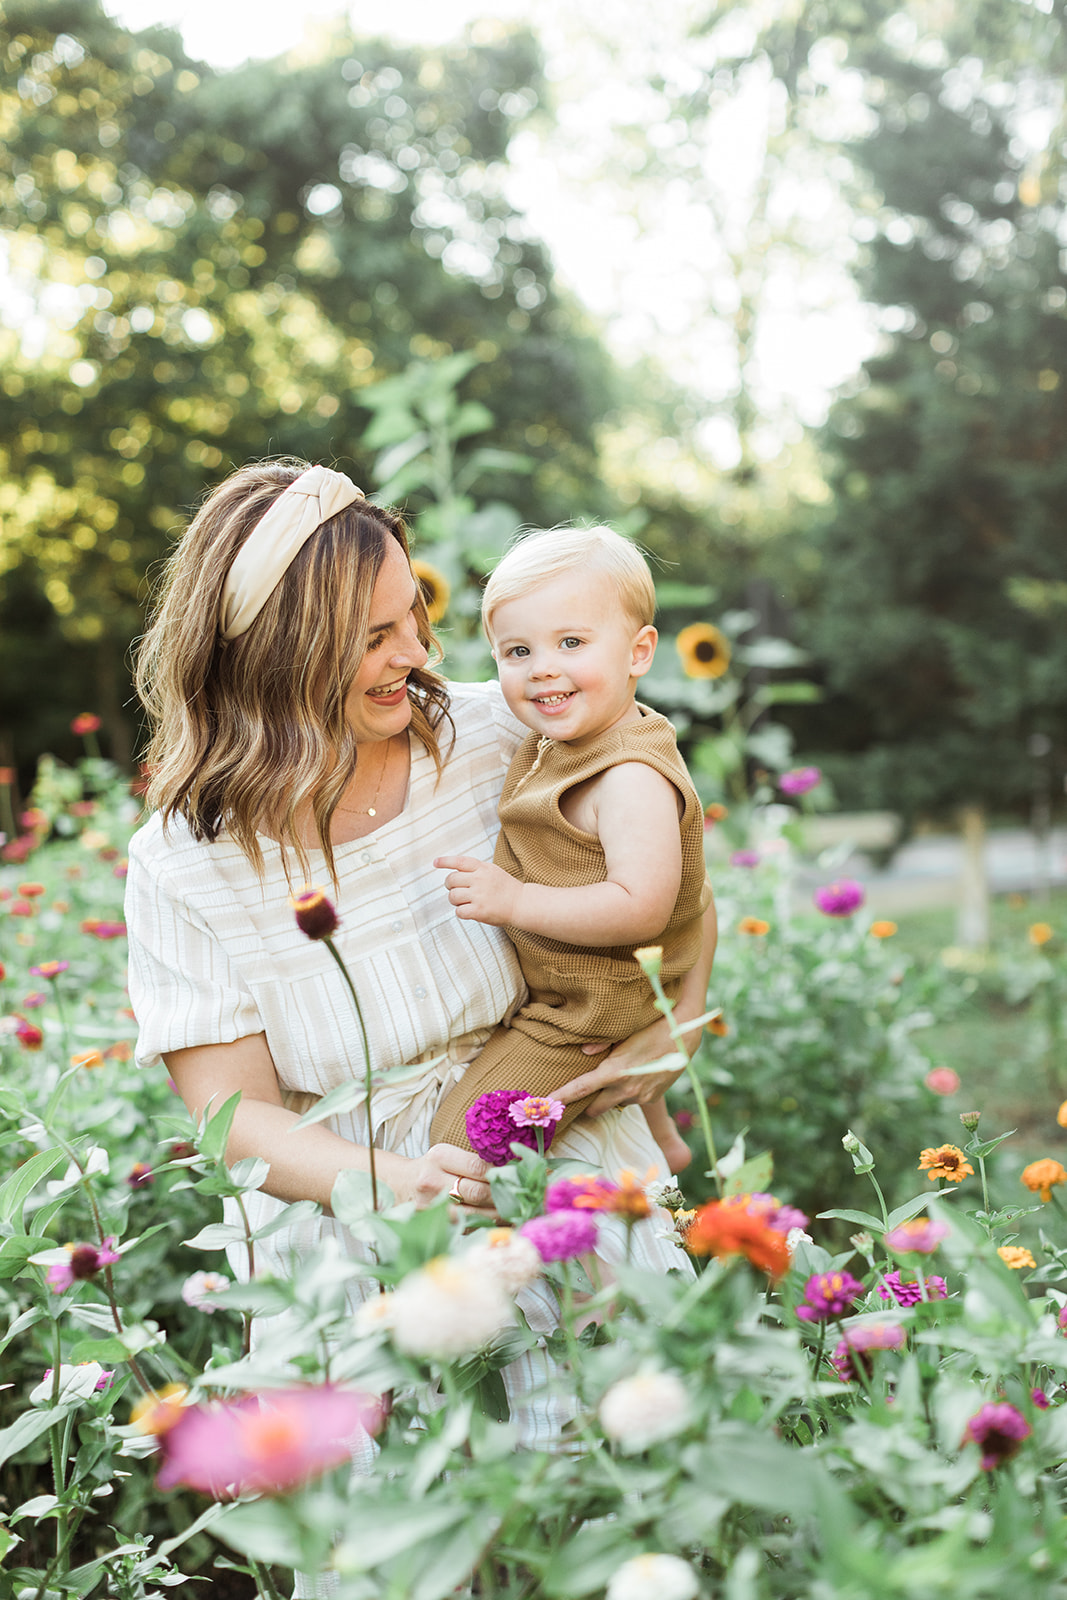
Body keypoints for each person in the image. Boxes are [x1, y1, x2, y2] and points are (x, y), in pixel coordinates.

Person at [124, 459, 716, 1454]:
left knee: (614, 1491)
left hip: (556, 1160)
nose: (419, 649)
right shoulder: (185, 863)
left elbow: (672, 877)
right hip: (363, 1232)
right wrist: (393, 1183)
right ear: (282, 656)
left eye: (414, 615)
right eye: (375, 636)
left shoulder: (498, 733)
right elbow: (232, 1121)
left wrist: (672, 1033)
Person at [429, 526, 709, 1176]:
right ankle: (661, 1136)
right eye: (517, 650)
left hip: (585, 1009)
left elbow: (642, 907)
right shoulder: (570, 740)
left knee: (467, 1134)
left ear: (639, 653)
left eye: (571, 643)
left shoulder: (627, 778)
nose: (542, 668)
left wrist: (515, 899)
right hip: (590, 985)